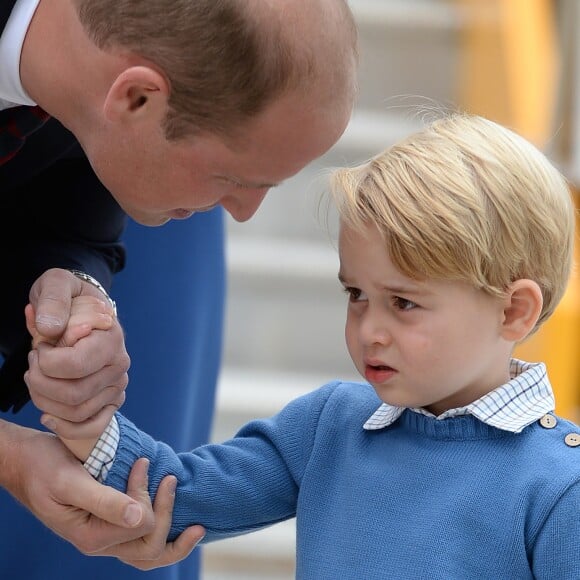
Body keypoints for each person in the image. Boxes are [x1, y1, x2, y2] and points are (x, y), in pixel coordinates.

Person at [38, 112, 580, 576]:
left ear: (513, 311)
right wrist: (86, 422)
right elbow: (180, 493)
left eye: (404, 303)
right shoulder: (330, 426)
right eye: (356, 294)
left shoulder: (561, 487)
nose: (369, 329)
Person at [0, 0, 358, 577]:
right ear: (136, 98)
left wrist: (69, 284)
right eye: (235, 178)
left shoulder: (85, 74)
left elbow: (63, 211)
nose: (243, 213)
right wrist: (11, 458)